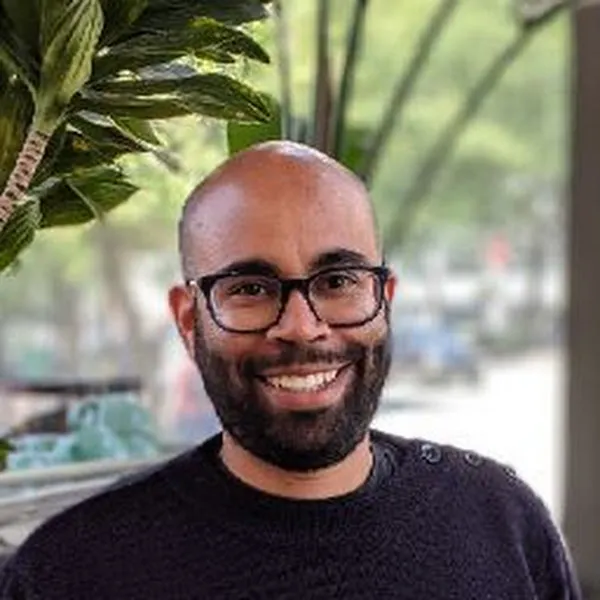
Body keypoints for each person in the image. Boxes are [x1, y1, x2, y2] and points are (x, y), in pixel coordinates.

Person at [0, 142, 581, 599]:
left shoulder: (501, 522)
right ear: (188, 320)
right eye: (251, 288)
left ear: (385, 299)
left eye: (338, 281)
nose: (303, 327)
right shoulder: (71, 572)